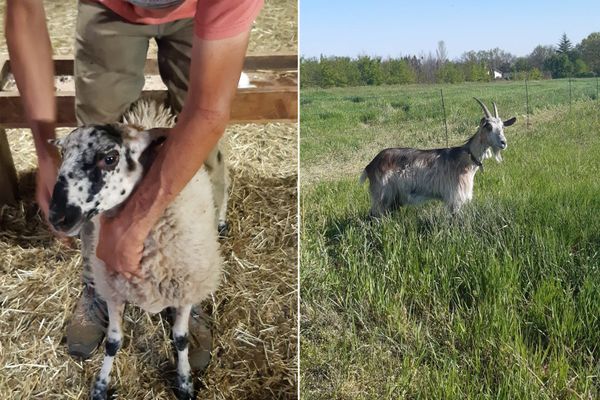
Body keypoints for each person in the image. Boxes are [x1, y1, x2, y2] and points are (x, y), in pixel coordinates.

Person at [5, 0, 263, 372]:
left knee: (198, 157)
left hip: (202, 12)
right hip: (107, 7)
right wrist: (47, 157)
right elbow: (24, 11)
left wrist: (135, 225)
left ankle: (185, 284)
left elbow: (207, 113)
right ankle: (99, 283)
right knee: (99, 134)